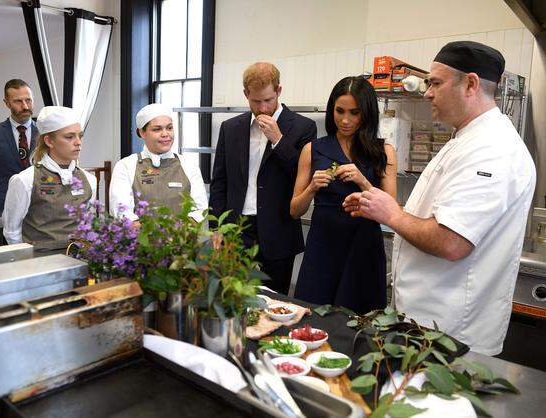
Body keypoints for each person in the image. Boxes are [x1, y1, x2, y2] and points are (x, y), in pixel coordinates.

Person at [343, 41, 536, 356]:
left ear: (470, 84)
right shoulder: (465, 138)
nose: (427, 92)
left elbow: (451, 241)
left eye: (435, 83)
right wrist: (382, 206)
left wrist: (391, 214)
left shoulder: (493, 150)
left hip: (451, 335)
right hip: (428, 325)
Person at [291, 76, 397, 313]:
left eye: (354, 112)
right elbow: (295, 210)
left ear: (367, 113)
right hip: (323, 245)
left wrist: (363, 181)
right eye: (339, 111)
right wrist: (311, 188)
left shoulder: (384, 152)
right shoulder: (313, 149)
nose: (345, 120)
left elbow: (392, 211)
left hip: (363, 245)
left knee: (362, 321)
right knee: (314, 317)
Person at [210, 62, 317, 295]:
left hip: (278, 228)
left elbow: (302, 176)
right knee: (232, 297)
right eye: (255, 101)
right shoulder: (230, 128)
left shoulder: (303, 127)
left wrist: (278, 139)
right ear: (245, 94)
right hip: (237, 229)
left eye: (268, 100)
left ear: (279, 91)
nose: (263, 108)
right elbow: (219, 181)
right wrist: (215, 227)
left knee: (275, 301)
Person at [2, 106, 97, 255]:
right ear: (49, 141)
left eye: (80, 136)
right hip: (40, 265)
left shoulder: (89, 180)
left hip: (80, 262)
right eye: (69, 137)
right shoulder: (25, 180)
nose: (78, 142)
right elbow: (12, 232)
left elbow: (89, 224)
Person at [109, 103, 207, 223]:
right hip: (141, 240)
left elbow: (200, 209)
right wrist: (150, 236)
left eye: (169, 128)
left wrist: (178, 235)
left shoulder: (189, 165)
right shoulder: (125, 166)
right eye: (157, 129)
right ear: (142, 133)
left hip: (182, 240)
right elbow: (120, 210)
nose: (165, 134)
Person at [0, 79, 38, 245]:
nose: (25, 106)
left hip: (39, 209)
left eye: (29, 100)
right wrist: (1, 192)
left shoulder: (46, 133)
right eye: (18, 101)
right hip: (3, 210)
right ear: (6, 103)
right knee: (8, 263)